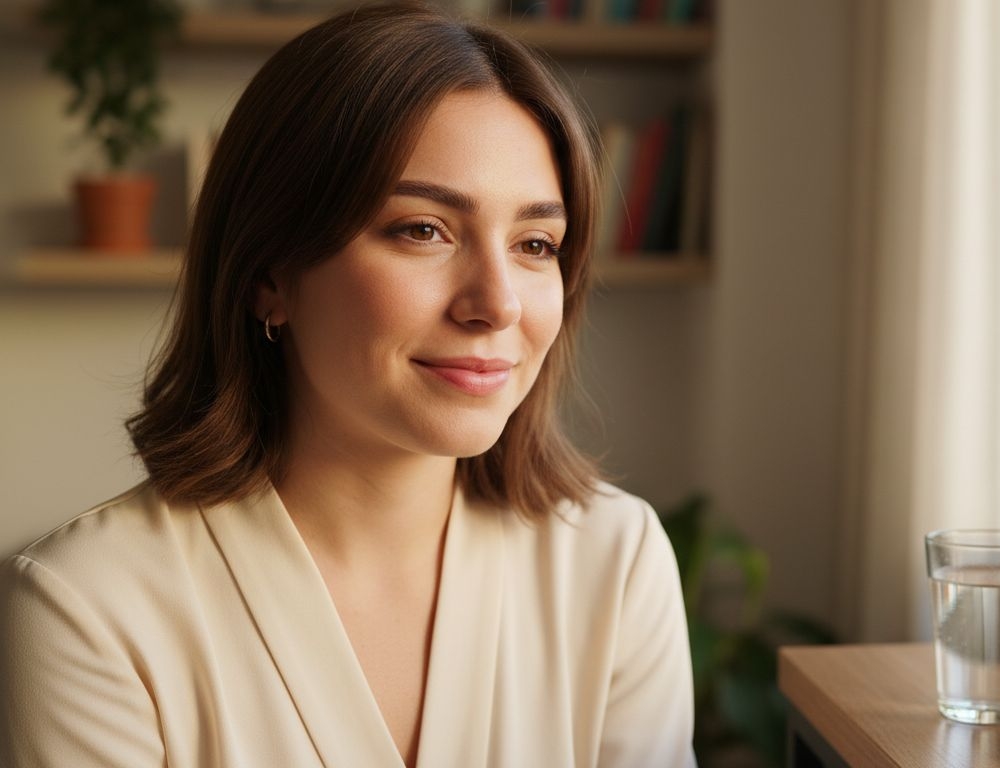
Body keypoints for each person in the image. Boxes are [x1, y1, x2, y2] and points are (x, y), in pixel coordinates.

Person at [0, 3, 695, 766]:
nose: (498, 304)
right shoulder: (88, 604)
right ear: (269, 275)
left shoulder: (614, 561)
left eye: (535, 244)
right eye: (423, 230)